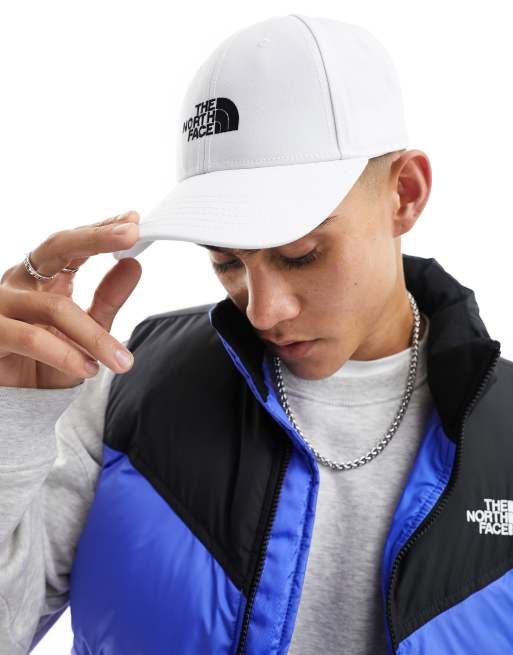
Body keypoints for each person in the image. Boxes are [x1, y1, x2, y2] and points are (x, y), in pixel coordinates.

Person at [0, 13, 510, 655]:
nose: (263, 311)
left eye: (300, 254)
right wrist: (10, 423)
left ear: (404, 194)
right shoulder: (124, 392)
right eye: (227, 261)